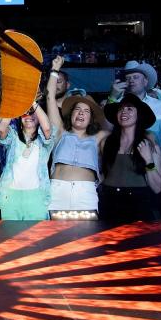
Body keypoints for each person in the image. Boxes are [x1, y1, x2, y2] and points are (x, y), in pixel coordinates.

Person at [44, 57, 109, 214]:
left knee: (85, 237)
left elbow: (120, 136)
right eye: (77, 109)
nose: (81, 113)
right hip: (57, 191)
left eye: (86, 111)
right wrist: (55, 70)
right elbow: (49, 97)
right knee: (53, 236)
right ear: (70, 114)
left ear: (91, 118)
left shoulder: (100, 136)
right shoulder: (60, 131)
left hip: (85, 192)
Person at [99, 94, 161, 224]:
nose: (124, 112)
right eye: (121, 109)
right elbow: (102, 174)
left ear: (138, 115)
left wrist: (149, 161)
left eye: (130, 109)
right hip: (109, 202)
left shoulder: (149, 145)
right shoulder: (107, 143)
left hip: (138, 205)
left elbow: (157, 187)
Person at [0, 100, 54, 220]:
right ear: (20, 118)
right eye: (24, 113)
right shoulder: (13, 136)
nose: (29, 116)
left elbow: (47, 129)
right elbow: (1, 129)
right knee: (8, 235)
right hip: (10, 195)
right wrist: (15, 103)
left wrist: (32, 101)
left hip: (36, 196)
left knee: (36, 235)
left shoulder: (44, 140)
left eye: (32, 113)